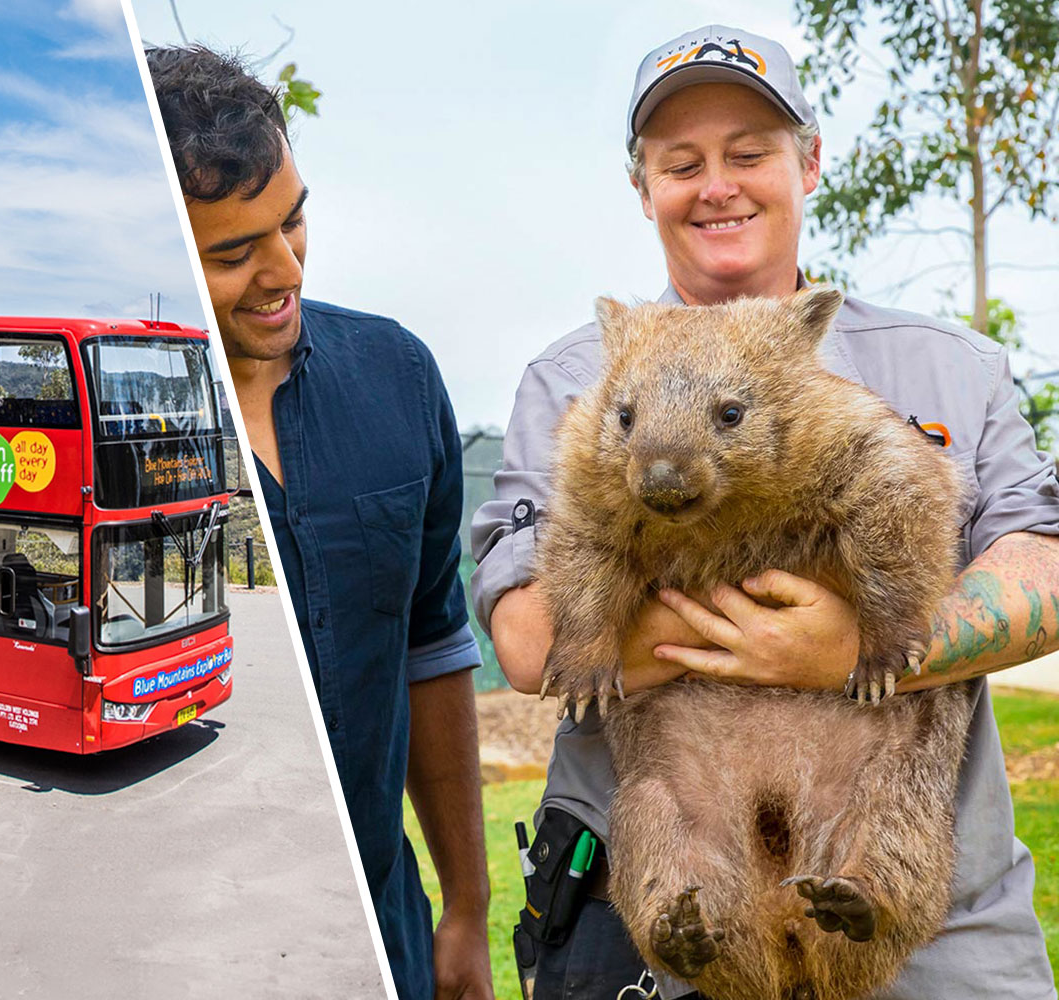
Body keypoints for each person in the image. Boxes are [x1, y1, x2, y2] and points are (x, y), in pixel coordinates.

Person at [471, 23, 1059, 1000]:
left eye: (747, 153)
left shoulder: (949, 364)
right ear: (642, 185)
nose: (716, 185)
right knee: (666, 823)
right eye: (680, 162)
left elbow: (1042, 556)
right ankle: (691, 925)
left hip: (943, 935)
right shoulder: (570, 377)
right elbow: (530, 638)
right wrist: (730, 636)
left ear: (808, 160)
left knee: (890, 810)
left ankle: (858, 898)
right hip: (655, 901)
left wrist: (868, 642)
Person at [146, 45, 494, 1000]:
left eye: (295, 221)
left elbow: (431, 637)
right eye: (233, 252)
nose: (284, 269)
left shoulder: (399, 377)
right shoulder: (133, 419)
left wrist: (464, 904)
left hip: (387, 926)